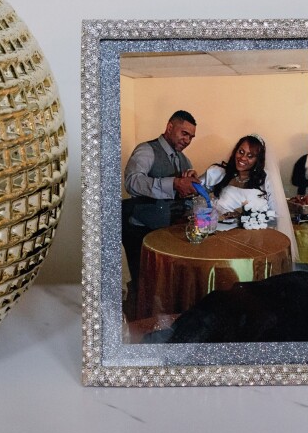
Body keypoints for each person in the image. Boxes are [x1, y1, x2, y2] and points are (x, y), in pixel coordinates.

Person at [122, 110, 200, 317]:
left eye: (191, 137)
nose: (187, 140)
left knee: (168, 283)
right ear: (169, 127)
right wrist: (173, 183)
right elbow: (132, 182)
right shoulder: (147, 150)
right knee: (145, 284)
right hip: (142, 229)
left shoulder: (185, 160)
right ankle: (142, 328)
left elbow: (185, 194)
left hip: (170, 229)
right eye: (184, 133)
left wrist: (192, 184)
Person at [200, 134, 298, 262]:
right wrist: (190, 176)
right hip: (219, 239)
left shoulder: (266, 179)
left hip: (253, 242)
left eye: (250, 156)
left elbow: (276, 216)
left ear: (258, 159)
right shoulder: (220, 173)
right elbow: (194, 188)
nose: (243, 158)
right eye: (241, 152)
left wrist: (247, 216)